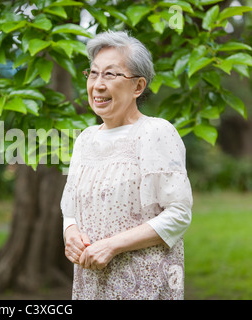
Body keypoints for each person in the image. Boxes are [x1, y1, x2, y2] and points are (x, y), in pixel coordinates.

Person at [61, 30, 193, 300]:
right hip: (91, 285)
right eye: (94, 73)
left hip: (144, 285)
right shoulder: (85, 140)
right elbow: (70, 208)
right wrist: (70, 232)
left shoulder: (156, 132)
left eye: (110, 75)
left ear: (138, 87)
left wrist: (111, 246)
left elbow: (179, 214)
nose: (98, 84)